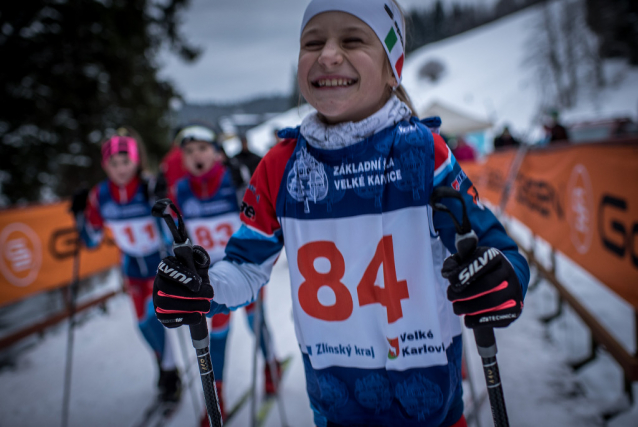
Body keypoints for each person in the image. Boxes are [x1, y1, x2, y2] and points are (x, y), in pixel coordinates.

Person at [153, 1, 529, 426]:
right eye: (312, 42)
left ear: (392, 68)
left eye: (353, 39)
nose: (328, 54)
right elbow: (245, 266)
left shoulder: (423, 152)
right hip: (335, 411)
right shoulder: (281, 164)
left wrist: (500, 278)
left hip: (432, 411)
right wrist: (204, 286)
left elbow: (498, 252)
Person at [166, 124, 281, 423]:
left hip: (243, 265)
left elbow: (257, 218)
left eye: (203, 148)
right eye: (189, 152)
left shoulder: (233, 179)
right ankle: (215, 397)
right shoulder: (180, 190)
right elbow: (176, 236)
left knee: (256, 321)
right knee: (217, 333)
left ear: (217, 153)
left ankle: (271, 366)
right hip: (210, 278)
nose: (196, 156)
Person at [71, 131, 181, 402]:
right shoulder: (101, 195)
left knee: (154, 318)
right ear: (105, 165)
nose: (120, 169)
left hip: (158, 264)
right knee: (143, 325)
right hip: (132, 267)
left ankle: (170, 372)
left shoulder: (149, 185)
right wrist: (78, 215)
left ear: (136, 161)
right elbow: (92, 240)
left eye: (125, 161)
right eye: (113, 164)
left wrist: (163, 201)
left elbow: (175, 231)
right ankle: (163, 364)